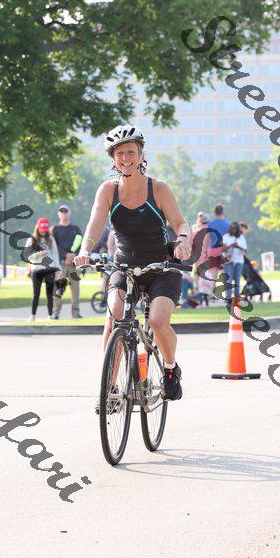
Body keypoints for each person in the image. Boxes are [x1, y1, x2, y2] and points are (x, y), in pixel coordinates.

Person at [75, 124, 191, 401]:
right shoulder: (108, 190)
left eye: (130, 152)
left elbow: (180, 223)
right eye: (120, 154)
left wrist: (184, 239)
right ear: (113, 159)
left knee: (158, 321)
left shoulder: (158, 189)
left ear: (141, 155)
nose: (125, 158)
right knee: (114, 319)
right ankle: (110, 389)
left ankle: (170, 369)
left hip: (161, 268)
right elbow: (94, 224)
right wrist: (85, 249)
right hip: (124, 267)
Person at [24, 218, 62, 322]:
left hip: (49, 269)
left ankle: (49, 315)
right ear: (37, 228)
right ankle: (33, 316)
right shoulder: (32, 240)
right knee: (36, 294)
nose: (43, 232)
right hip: (36, 269)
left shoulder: (51, 239)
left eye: (45, 230)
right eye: (41, 230)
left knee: (49, 294)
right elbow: (27, 255)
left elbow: (55, 256)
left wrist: (59, 270)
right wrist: (38, 254)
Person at [51, 205, 83, 319]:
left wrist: (74, 255)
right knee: (58, 288)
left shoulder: (76, 229)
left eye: (66, 211)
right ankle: (55, 312)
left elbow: (80, 243)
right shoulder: (55, 229)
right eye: (61, 211)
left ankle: (75, 312)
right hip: (61, 264)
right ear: (58, 214)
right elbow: (54, 246)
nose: (64, 213)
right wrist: (66, 255)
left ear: (69, 213)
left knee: (75, 290)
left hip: (74, 264)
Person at [222, 221, 247, 303]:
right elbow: (223, 249)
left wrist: (238, 246)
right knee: (229, 280)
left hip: (239, 261)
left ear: (237, 229)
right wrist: (232, 245)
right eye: (232, 228)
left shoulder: (241, 237)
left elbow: (245, 251)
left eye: (235, 229)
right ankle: (228, 298)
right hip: (228, 261)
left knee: (237, 280)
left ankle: (237, 297)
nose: (234, 230)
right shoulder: (226, 237)